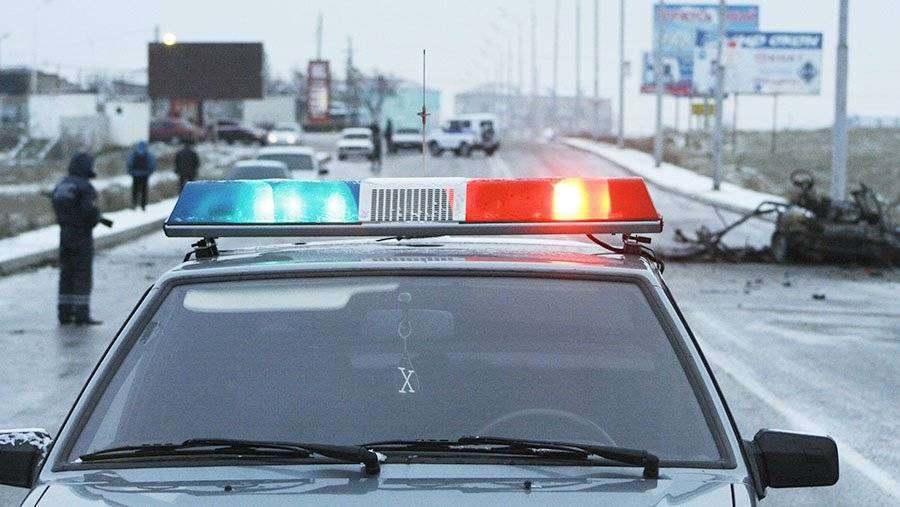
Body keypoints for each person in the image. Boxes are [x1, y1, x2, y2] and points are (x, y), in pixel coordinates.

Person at [51, 153, 110, 325]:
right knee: (82, 274)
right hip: (81, 236)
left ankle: (64, 314)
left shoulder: (62, 184)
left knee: (66, 274)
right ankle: (81, 315)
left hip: (64, 235)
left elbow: (57, 206)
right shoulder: (85, 187)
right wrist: (95, 219)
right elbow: (88, 211)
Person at [126, 141, 156, 210]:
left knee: (135, 190)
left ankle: (134, 204)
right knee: (144, 190)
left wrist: (130, 172)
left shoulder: (134, 154)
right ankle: (143, 205)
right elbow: (152, 163)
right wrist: (150, 172)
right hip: (145, 175)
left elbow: (129, 163)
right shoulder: (148, 154)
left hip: (135, 175)